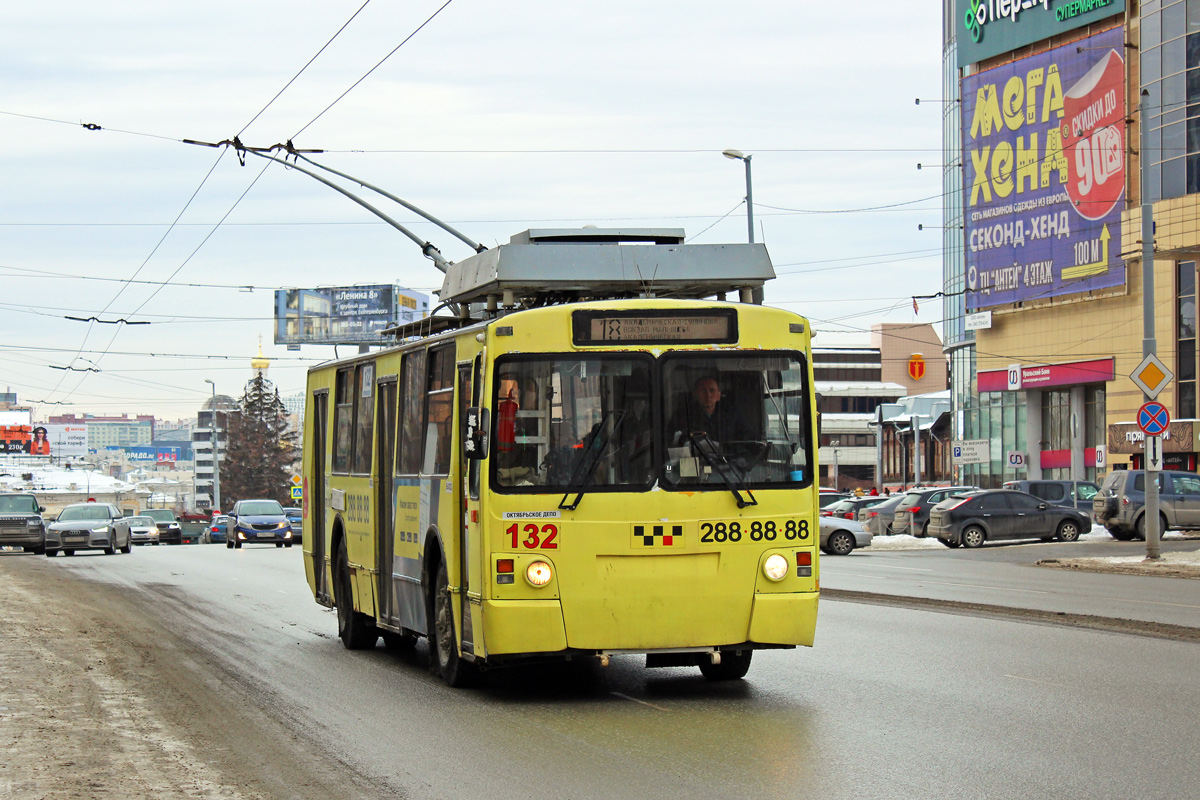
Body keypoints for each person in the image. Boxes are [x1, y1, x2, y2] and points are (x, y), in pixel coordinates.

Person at [667, 376, 753, 446]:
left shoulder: (732, 414)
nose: (708, 395)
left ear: (719, 396)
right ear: (695, 395)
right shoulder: (682, 416)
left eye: (712, 390)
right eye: (703, 391)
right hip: (695, 464)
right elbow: (670, 444)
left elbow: (749, 438)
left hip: (728, 463)